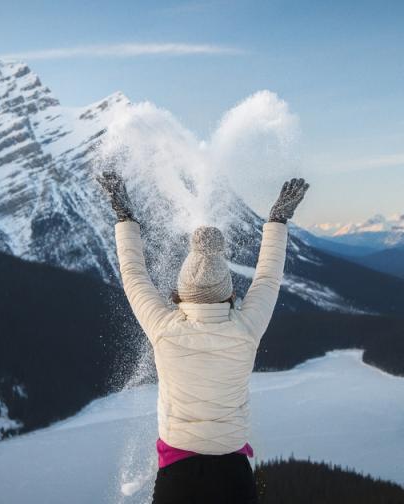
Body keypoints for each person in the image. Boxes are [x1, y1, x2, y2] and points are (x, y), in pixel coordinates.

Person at [97, 171, 309, 504]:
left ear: (181, 292)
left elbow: (134, 277)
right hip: (232, 473)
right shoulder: (245, 329)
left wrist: (125, 218)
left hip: (177, 474)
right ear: (228, 293)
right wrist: (278, 220)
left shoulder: (164, 329)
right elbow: (268, 277)